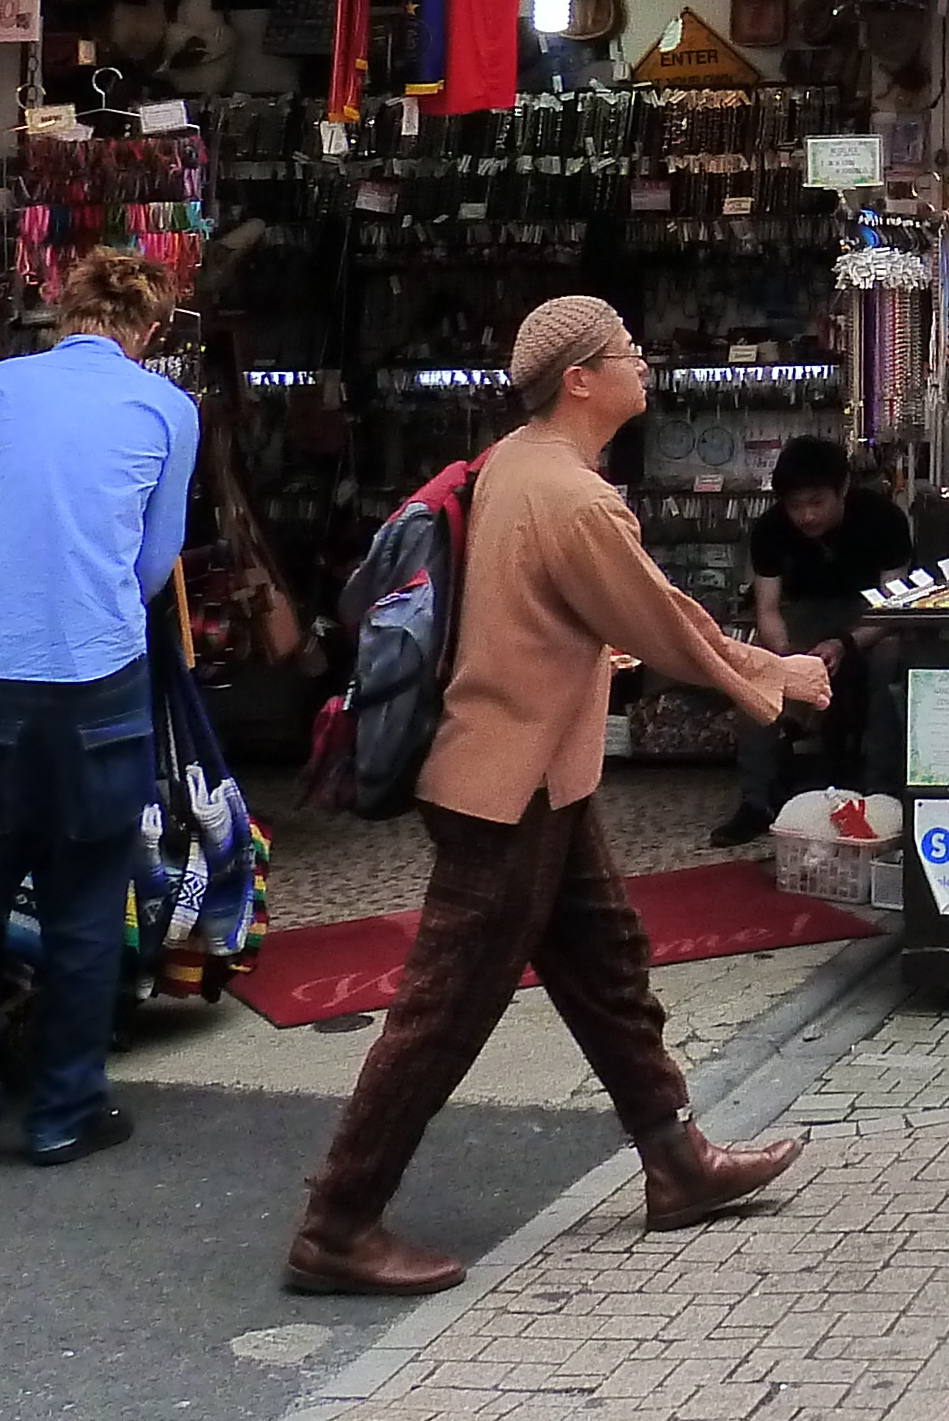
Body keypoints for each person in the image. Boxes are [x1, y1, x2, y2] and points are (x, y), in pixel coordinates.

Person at [289, 296, 830, 1295]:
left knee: (606, 962)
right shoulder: (572, 498)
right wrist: (775, 674)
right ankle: (338, 1223)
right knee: (444, 1010)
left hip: (536, 771)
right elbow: (658, 619)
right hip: (507, 782)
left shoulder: (522, 464)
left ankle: (674, 1161)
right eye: (627, 350)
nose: (644, 361)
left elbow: (642, 611)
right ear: (579, 378)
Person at [0, 250, 200, 1171]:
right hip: (98, 680)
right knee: (86, 904)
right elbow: (156, 564)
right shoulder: (167, 409)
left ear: (58, 310)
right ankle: (66, 1113)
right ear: (150, 331)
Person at [710, 437, 915, 847]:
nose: (806, 515)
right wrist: (785, 658)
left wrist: (845, 643)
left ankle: (881, 794)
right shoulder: (770, 529)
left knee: (890, 664)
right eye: (795, 505)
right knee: (757, 672)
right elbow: (768, 608)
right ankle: (756, 800)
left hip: (871, 616)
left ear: (842, 490)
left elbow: (896, 606)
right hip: (801, 614)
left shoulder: (884, 520)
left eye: (816, 502)